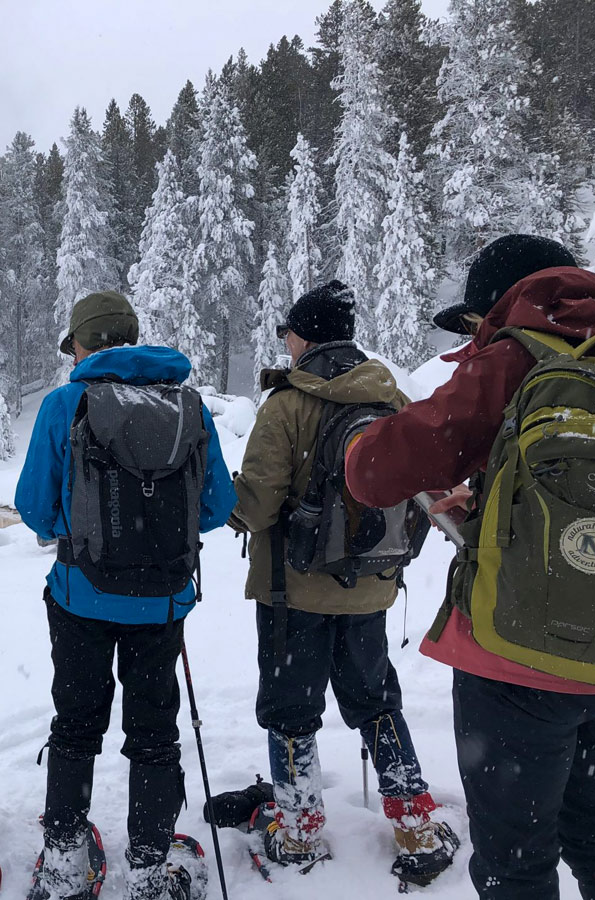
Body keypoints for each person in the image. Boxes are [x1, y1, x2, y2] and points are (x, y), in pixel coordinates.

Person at [346, 234, 595, 900]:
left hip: (519, 660)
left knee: (515, 863)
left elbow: (376, 473)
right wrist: (496, 495)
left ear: (501, 303)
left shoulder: (518, 353)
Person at [229, 281, 456, 885]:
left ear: (304, 336)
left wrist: (226, 499)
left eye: (289, 332)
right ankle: (414, 822)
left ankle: (300, 834)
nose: (286, 340)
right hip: (371, 589)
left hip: (291, 592)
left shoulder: (286, 405)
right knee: (376, 702)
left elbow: (256, 506)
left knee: (290, 709)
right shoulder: (392, 400)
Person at [15, 291, 236, 900]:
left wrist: (82, 529)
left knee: (77, 722)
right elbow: (218, 505)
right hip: (163, 601)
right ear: (133, 337)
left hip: (80, 597)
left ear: (83, 345)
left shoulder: (66, 405)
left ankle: (64, 861)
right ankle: (149, 867)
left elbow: (35, 506)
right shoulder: (189, 406)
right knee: (154, 730)